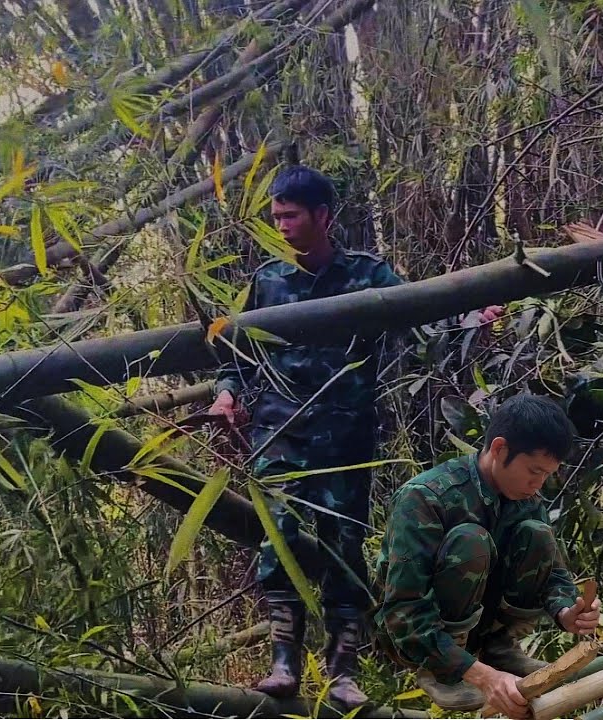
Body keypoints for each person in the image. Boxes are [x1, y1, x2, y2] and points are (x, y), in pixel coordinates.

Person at [193, 165, 402, 710]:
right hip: (279, 432)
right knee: (277, 540)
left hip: (346, 436)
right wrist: (226, 395)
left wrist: (475, 313)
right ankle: (283, 663)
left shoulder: (369, 275)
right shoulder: (267, 281)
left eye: (290, 216)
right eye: (276, 217)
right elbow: (237, 356)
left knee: (344, 547)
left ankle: (343, 672)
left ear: (322, 216)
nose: (281, 226)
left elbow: (428, 317)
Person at [371, 393, 601, 718]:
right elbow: (403, 610)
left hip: (484, 623)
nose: (538, 484)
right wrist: (482, 677)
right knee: (471, 540)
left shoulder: (524, 497)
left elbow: (552, 573)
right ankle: (442, 668)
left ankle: (499, 648)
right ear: (499, 449)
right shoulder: (424, 498)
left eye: (547, 475)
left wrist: (566, 611)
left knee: (537, 533)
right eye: (533, 471)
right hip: (415, 636)